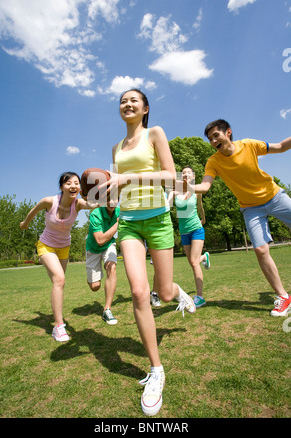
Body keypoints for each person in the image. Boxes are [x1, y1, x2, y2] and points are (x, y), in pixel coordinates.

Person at [101, 88, 196, 417]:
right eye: (123, 101)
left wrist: (129, 178)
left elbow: (170, 177)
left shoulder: (154, 133)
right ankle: (156, 371)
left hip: (157, 220)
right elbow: (114, 189)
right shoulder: (115, 147)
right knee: (140, 293)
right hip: (128, 224)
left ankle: (175, 290)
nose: (127, 104)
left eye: (133, 101)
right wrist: (104, 191)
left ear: (145, 109)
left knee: (164, 294)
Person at [194, 119, 291, 317]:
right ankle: (283, 296)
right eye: (210, 139)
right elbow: (205, 186)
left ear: (228, 132)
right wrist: (182, 187)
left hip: (274, 196)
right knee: (260, 249)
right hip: (250, 208)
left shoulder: (249, 145)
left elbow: (281, 147)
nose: (213, 141)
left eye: (216, 136)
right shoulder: (214, 162)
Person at [20, 172, 90, 341]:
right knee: (59, 279)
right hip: (46, 245)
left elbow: (97, 204)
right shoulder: (49, 201)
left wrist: (106, 187)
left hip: (64, 248)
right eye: (68, 183)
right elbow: (33, 211)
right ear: (61, 187)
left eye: (76, 183)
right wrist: (25, 224)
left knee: (58, 281)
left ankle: (57, 317)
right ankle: (58, 327)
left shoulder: (79, 204)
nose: (73, 186)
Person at [168, 166, 210, 308]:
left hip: (197, 229)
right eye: (183, 173)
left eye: (188, 173)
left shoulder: (197, 191)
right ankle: (204, 257)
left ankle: (200, 297)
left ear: (193, 176)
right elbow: (166, 207)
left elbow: (200, 206)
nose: (185, 174)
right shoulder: (176, 192)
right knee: (193, 261)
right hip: (183, 231)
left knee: (193, 262)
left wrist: (203, 218)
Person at [85, 200, 120, 325]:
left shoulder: (119, 212)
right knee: (95, 287)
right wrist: (117, 223)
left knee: (112, 267)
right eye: (109, 198)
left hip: (109, 245)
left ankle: (107, 309)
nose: (112, 202)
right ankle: (91, 279)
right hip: (93, 248)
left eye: (115, 198)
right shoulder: (95, 214)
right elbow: (99, 240)